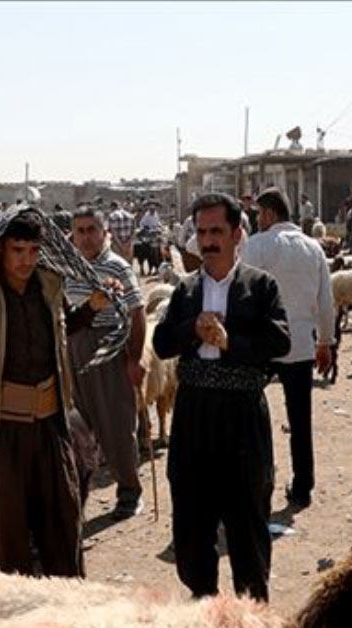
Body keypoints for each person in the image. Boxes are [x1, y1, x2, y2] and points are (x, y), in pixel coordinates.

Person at [0, 207, 118, 577]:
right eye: (18, 251)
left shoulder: (49, 285)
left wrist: (93, 308)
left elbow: (63, 329)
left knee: (65, 525)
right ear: (0, 249)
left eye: (33, 250)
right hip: (3, 431)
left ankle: (68, 606)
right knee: (12, 539)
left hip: (52, 425)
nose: (26, 260)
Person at [152, 193, 290, 601]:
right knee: (192, 519)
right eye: (202, 232)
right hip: (193, 414)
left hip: (242, 417)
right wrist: (192, 330)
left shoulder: (260, 286)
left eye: (216, 231)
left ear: (236, 234)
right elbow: (161, 344)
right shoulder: (186, 290)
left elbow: (280, 342)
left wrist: (231, 343)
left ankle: (252, 617)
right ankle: (203, 607)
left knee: (247, 517)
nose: (208, 241)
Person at [239, 187, 334, 508]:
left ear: (268, 213)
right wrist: (325, 342)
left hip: (261, 346)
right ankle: (303, 486)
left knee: (249, 415)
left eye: (259, 214)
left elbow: (243, 294)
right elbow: (326, 301)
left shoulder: (256, 246)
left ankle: (255, 482)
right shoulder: (313, 248)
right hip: (301, 344)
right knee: (300, 419)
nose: (257, 220)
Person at [66, 206, 147, 518]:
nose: (86, 237)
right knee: (76, 428)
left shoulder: (117, 266)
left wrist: (134, 358)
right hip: (73, 351)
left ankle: (129, 492)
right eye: (80, 231)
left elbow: (137, 311)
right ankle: (76, 498)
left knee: (116, 426)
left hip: (109, 350)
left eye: (92, 230)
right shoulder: (67, 267)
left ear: (104, 233)